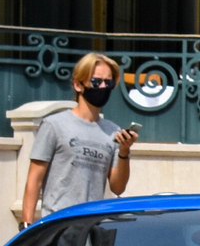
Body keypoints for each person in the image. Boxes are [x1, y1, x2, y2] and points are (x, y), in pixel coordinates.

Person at [20, 52, 137, 227]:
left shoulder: (113, 131)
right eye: (96, 81)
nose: (103, 87)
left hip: (92, 226)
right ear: (78, 85)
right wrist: (26, 224)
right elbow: (34, 178)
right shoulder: (54, 125)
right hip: (57, 223)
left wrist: (124, 152)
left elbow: (117, 187)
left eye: (109, 82)